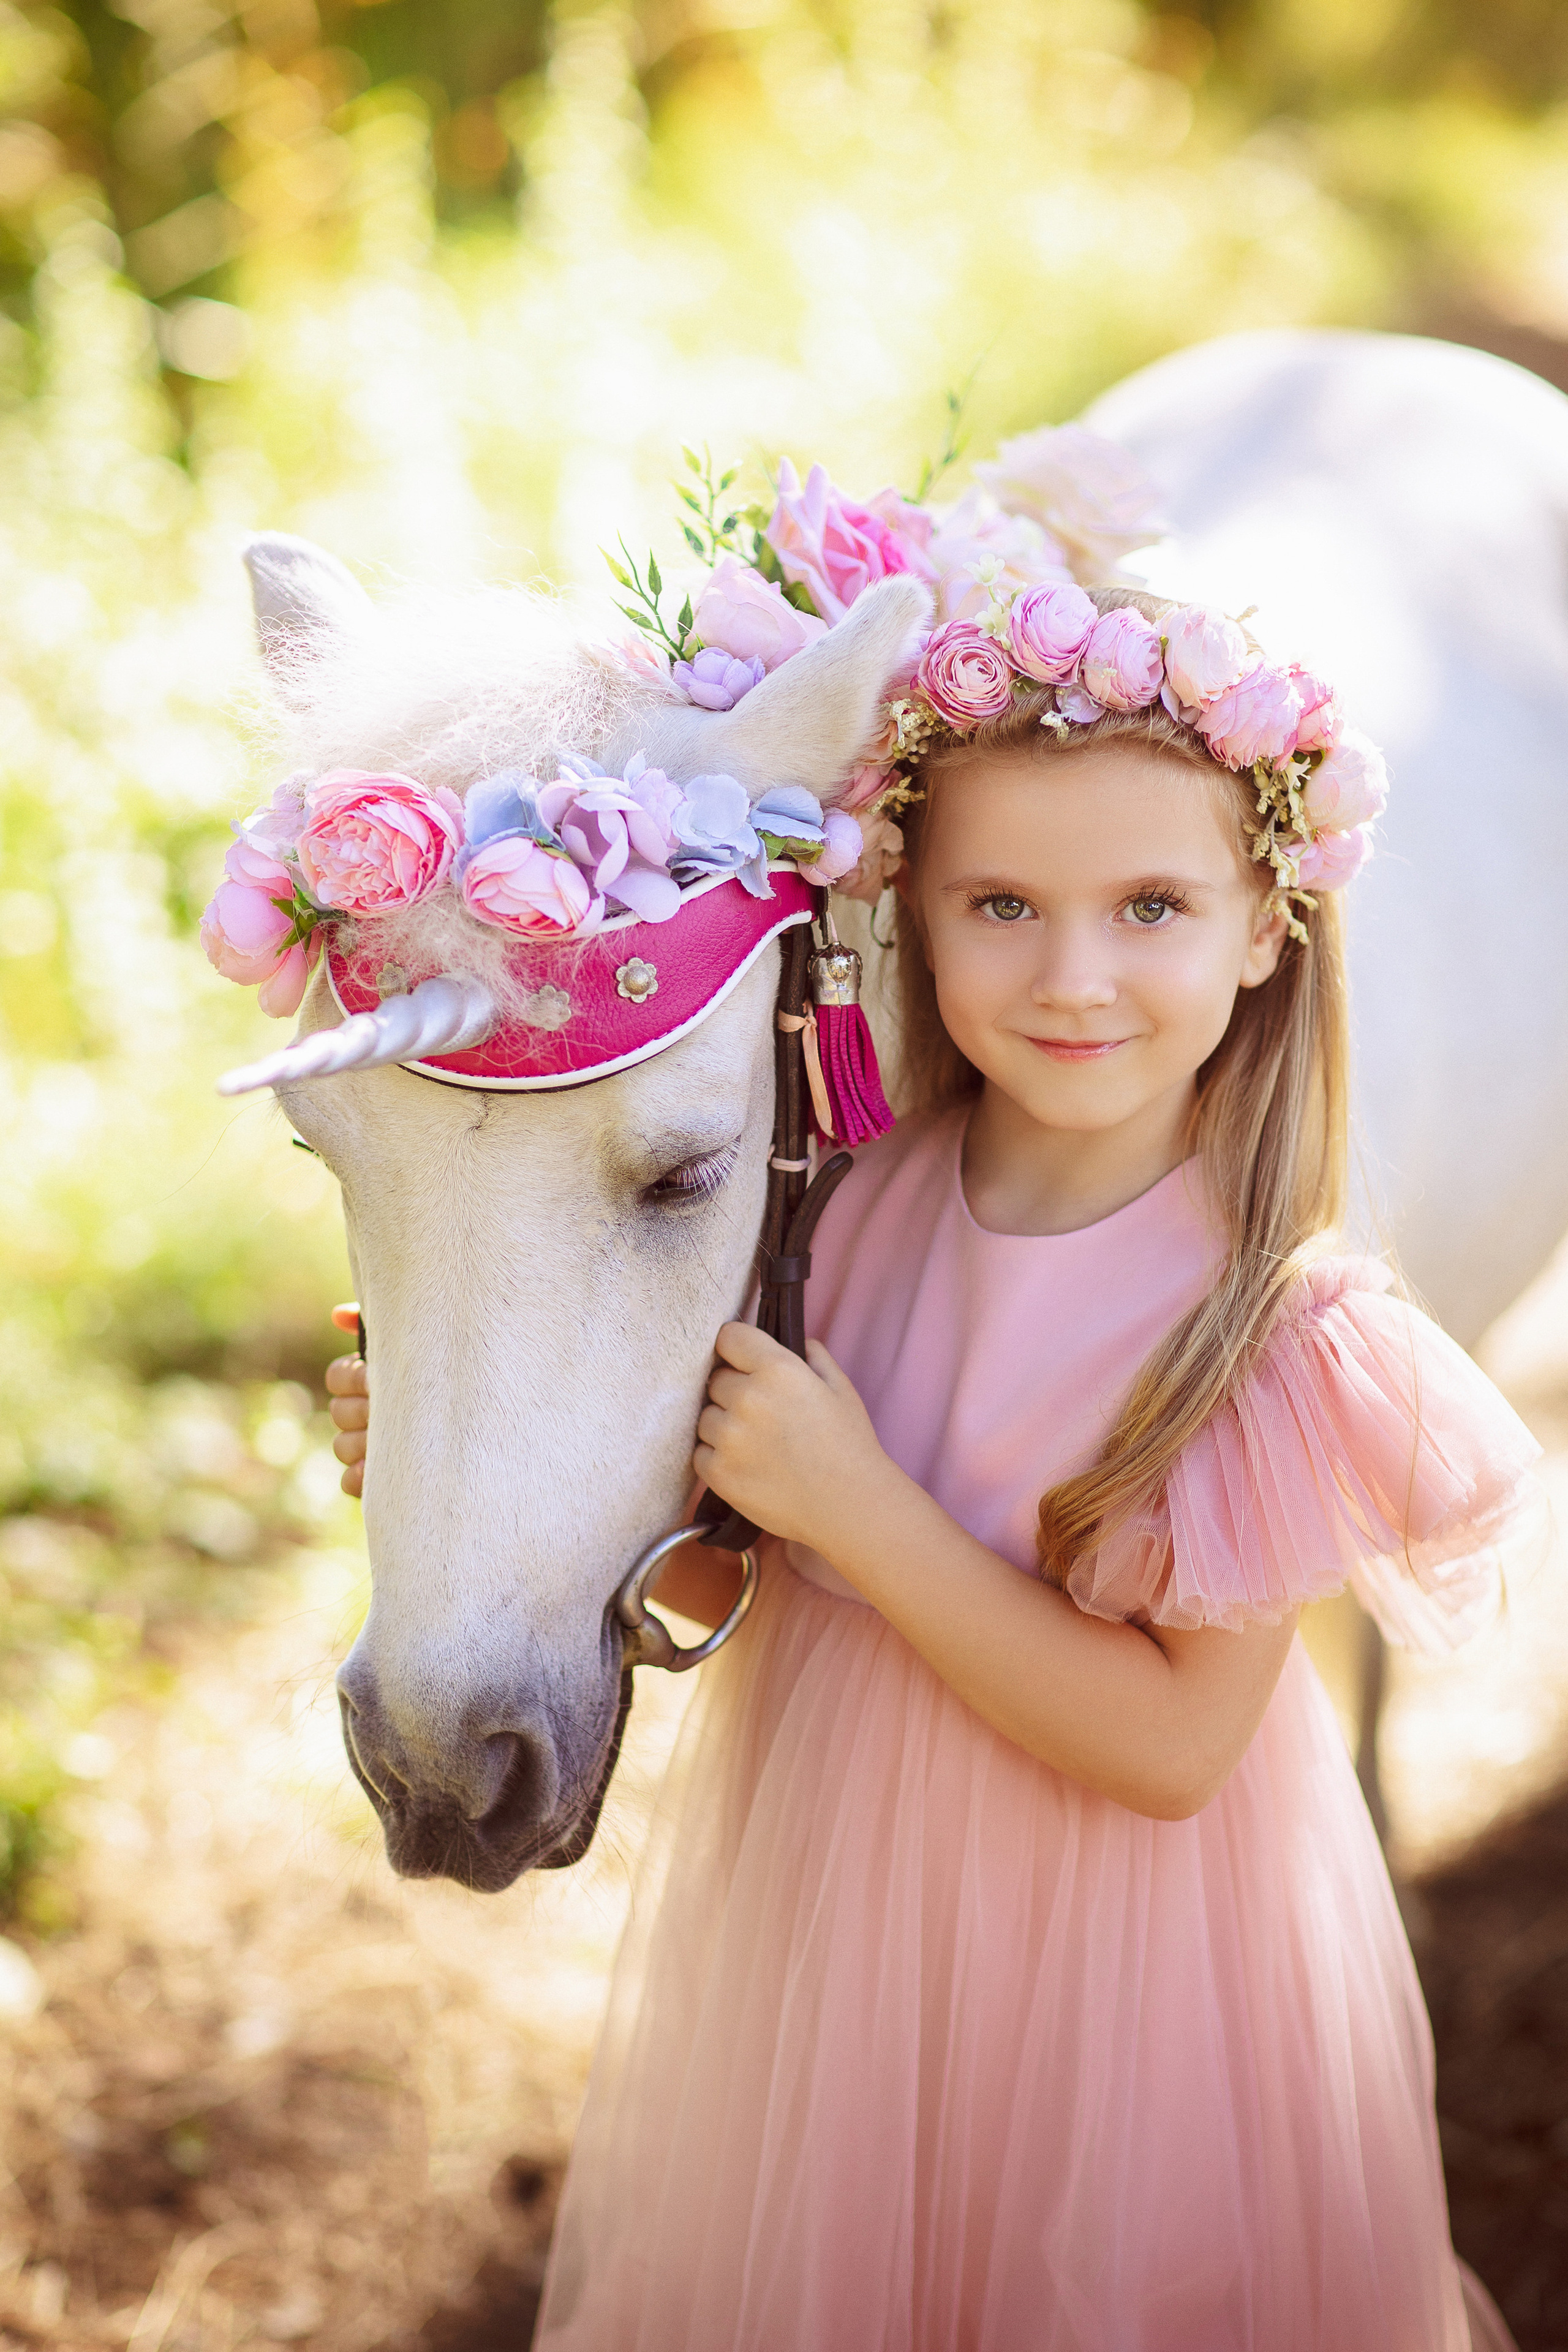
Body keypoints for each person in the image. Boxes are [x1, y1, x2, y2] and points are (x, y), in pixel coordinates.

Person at [326, 594, 1537, 2350]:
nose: (1072, 975)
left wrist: (869, 1519)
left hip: (1123, 1996)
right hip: (846, 1950)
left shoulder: (1263, 1323)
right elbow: (736, 1571)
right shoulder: (858, 1206)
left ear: (1267, 930)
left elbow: (1179, 1749)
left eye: (1150, 910)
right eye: (1002, 908)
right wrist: (454, 1475)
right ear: (914, 916)